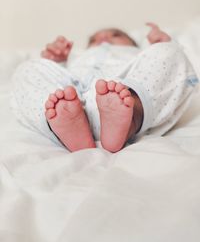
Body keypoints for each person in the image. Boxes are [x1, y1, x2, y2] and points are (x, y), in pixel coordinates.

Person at [11, 23, 199, 152]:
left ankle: (130, 117)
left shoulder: (137, 55)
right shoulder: (77, 59)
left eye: (116, 35)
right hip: (73, 103)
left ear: (134, 45)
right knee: (28, 68)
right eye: (95, 39)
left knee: (170, 52)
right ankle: (65, 128)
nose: (105, 39)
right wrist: (54, 60)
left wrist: (160, 44)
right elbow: (51, 77)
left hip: (120, 98)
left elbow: (157, 72)